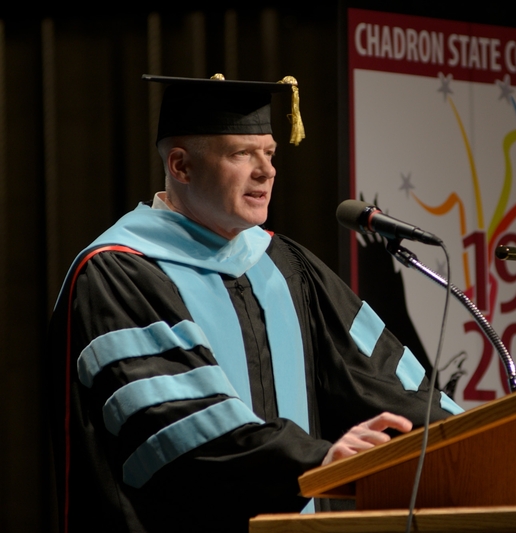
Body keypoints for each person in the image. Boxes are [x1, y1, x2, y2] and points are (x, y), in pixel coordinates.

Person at [47, 74, 462, 533]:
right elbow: (175, 426)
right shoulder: (119, 273)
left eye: (270, 154)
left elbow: (379, 378)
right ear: (181, 166)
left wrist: (470, 432)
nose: (266, 171)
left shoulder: (285, 265)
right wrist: (314, 458)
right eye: (242, 154)